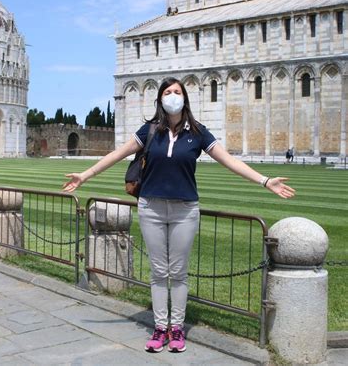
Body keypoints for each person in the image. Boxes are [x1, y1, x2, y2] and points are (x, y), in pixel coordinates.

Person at [63, 77, 295, 353]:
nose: (173, 95)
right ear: (160, 99)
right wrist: (86, 175)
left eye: (177, 92)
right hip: (151, 207)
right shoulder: (150, 130)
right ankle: (160, 327)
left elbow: (229, 160)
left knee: (179, 273)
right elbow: (118, 154)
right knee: (159, 272)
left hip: (185, 209)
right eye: (168, 92)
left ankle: (177, 328)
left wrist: (265, 180)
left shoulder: (198, 133)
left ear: (185, 98)